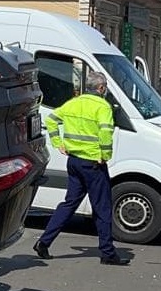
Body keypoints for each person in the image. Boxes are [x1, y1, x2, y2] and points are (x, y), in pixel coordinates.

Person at [33, 71, 130, 266]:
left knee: (69, 203)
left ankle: (44, 242)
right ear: (101, 88)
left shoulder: (73, 103)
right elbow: (105, 134)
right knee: (102, 208)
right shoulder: (103, 106)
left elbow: (51, 119)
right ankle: (108, 253)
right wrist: (105, 156)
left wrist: (57, 141)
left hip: (74, 162)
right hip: (93, 163)